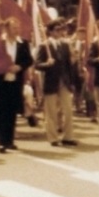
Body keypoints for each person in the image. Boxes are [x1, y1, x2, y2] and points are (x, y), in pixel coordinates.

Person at [0, 17, 33, 153]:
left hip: (15, 82)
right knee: (0, 112)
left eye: (18, 27)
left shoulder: (23, 43)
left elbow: (28, 60)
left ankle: (9, 140)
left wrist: (19, 66)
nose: (17, 30)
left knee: (11, 112)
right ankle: (0, 141)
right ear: (6, 28)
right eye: (14, 27)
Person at [36, 19, 79, 147]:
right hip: (51, 81)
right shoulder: (44, 46)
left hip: (64, 81)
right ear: (50, 31)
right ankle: (53, 138)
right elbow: (37, 64)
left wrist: (72, 80)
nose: (60, 32)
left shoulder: (65, 45)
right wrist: (46, 64)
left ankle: (68, 136)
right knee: (51, 111)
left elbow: (68, 66)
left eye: (61, 30)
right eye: (57, 30)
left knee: (68, 110)